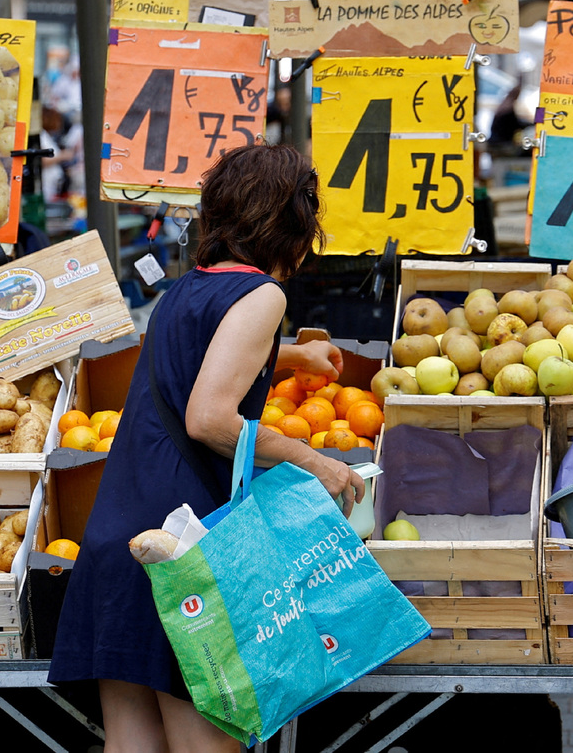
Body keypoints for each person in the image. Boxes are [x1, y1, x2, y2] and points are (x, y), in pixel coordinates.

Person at [48, 144, 366, 753]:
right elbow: (209, 418)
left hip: (121, 537)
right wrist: (316, 459)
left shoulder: (180, 292)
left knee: (133, 746)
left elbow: (194, 368)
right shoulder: (263, 294)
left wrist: (293, 357)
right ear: (295, 218)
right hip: (184, 550)